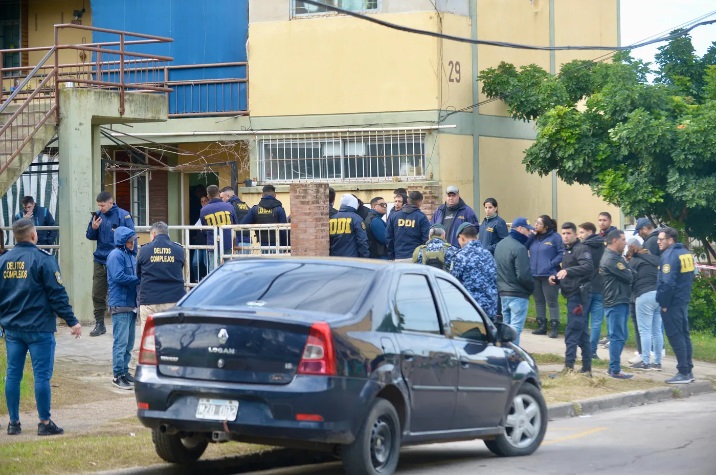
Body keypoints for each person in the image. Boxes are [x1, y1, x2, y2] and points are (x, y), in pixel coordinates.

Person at [0, 218, 82, 436]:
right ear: (34, 235)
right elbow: (57, 294)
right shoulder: (44, 259)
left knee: (13, 375)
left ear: (15, 237)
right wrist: (72, 320)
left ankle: (13, 423)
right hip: (39, 328)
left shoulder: (4, 260)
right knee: (41, 376)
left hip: (13, 329)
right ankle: (44, 423)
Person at [86, 191, 135, 337]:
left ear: (110, 202)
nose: (100, 208)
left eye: (102, 205)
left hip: (117, 260)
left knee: (118, 293)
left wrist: (130, 259)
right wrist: (93, 228)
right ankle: (99, 324)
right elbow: (89, 236)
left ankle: (119, 325)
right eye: (99, 205)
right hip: (100, 259)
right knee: (97, 293)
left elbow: (132, 239)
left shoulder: (123, 215)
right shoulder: (97, 215)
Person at [549, 222, 593, 377]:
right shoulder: (567, 251)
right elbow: (569, 274)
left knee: (572, 332)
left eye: (568, 233)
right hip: (571, 294)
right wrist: (557, 278)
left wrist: (567, 271)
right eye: (563, 233)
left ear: (575, 234)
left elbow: (587, 267)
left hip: (578, 297)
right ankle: (587, 368)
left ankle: (568, 367)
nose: (566, 236)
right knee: (581, 333)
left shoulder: (581, 249)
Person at [656, 227, 696, 384]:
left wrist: (664, 303)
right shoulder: (685, 252)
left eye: (661, 239)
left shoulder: (670, 255)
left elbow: (667, 283)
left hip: (672, 302)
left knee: (675, 336)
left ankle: (683, 372)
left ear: (670, 240)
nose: (658, 242)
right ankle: (688, 370)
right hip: (682, 300)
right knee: (684, 335)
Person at [136, 221, 186, 340]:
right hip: (173, 299)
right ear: (167, 233)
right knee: (173, 338)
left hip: (150, 299)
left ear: (153, 233)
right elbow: (181, 268)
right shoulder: (179, 250)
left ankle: (150, 358)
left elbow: (138, 274)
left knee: (149, 339)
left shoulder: (144, 250)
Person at [106, 226, 140, 390]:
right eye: (130, 241)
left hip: (131, 304)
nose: (132, 244)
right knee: (121, 342)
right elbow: (118, 277)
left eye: (133, 241)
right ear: (123, 241)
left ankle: (125, 371)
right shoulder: (115, 255)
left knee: (129, 343)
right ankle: (117, 375)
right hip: (120, 304)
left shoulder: (130, 255)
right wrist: (139, 279)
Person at [494, 217, 534, 345]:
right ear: (520, 229)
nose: (529, 233)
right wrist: (531, 288)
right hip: (518, 293)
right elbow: (523, 275)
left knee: (507, 327)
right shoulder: (520, 248)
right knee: (515, 329)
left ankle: (505, 352)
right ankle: (513, 357)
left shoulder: (500, 245)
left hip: (503, 292)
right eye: (528, 230)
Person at [600, 229, 633, 379]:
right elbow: (629, 275)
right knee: (617, 336)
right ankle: (614, 369)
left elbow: (630, 273)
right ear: (615, 241)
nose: (626, 242)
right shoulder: (612, 259)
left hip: (620, 299)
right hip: (615, 300)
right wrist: (628, 268)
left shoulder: (616, 257)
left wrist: (628, 268)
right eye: (623, 239)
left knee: (622, 335)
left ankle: (614, 367)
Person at [626, 241, 663, 371]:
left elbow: (630, 279)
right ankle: (657, 363)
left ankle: (645, 362)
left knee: (645, 331)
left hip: (643, 295)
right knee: (657, 331)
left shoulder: (635, 261)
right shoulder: (656, 259)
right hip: (658, 295)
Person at [528, 215, 564, 338]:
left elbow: (561, 253)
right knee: (539, 301)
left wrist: (551, 264)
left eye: (538, 223)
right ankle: (541, 325)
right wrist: (531, 235)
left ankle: (554, 327)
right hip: (535, 273)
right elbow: (524, 247)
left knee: (552, 301)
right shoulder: (533, 238)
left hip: (549, 274)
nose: (535, 225)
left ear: (546, 226)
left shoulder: (555, 237)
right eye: (535, 222)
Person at [451, 223, 498, 317]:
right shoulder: (488, 254)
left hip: (470, 310)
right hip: (490, 309)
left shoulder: (460, 256)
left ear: (462, 237)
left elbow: (453, 284)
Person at [578, 222, 607, 359]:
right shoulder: (603, 246)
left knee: (583, 319)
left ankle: (585, 349)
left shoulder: (584, 247)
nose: (579, 235)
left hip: (586, 287)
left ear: (590, 232)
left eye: (582, 232)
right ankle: (593, 351)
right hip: (600, 287)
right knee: (596, 322)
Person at [241, 184, 288, 251]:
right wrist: (286, 247)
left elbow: (243, 224)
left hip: (263, 245)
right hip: (278, 245)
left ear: (262, 195)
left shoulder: (255, 209)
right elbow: (284, 230)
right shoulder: (279, 209)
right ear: (275, 195)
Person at [386, 191, 430, 261]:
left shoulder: (394, 216)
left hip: (398, 257)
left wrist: (391, 256)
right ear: (420, 202)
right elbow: (426, 238)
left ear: (408, 200)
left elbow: (389, 238)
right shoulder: (421, 217)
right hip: (416, 257)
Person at [201, 184, 238, 269]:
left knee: (213, 272)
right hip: (228, 243)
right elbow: (235, 224)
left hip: (213, 244)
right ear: (219, 193)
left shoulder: (204, 210)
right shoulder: (229, 206)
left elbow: (204, 228)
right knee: (229, 271)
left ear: (208, 196)